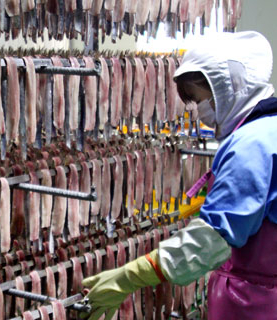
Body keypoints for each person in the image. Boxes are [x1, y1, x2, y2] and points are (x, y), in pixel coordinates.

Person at [82, 31, 277, 320]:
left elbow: (213, 238)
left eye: (200, 99)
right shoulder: (265, 131)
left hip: (260, 303)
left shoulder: (253, 146)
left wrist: (129, 276)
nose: (199, 111)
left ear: (229, 86)